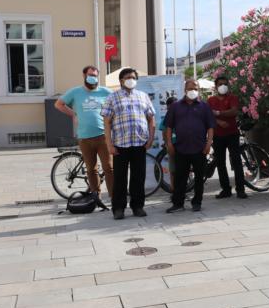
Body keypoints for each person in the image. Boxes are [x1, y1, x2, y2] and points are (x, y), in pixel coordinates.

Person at [101, 68, 155, 220]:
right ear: (121, 81)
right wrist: (109, 144)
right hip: (120, 145)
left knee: (138, 177)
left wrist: (151, 139)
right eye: (128, 77)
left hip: (139, 143)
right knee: (120, 178)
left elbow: (151, 118)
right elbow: (107, 123)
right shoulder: (112, 98)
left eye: (133, 77)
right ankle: (118, 208)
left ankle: (138, 206)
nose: (131, 80)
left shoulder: (143, 96)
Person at [54, 65, 113, 198]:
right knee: (91, 170)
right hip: (84, 138)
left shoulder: (105, 92)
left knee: (109, 168)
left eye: (95, 76)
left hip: (103, 136)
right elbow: (58, 104)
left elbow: (118, 103)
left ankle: (114, 197)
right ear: (84, 76)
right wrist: (73, 114)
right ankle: (95, 197)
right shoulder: (75, 92)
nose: (93, 78)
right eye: (90, 75)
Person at [164, 80, 215, 213]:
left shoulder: (204, 106)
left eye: (195, 88)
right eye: (190, 88)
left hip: (200, 148)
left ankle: (197, 202)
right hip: (181, 148)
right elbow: (168, 126)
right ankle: (178, 204)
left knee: (199, 177)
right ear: (185, 90)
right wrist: (169, 143)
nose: (193, 91)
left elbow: (210, 126)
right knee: (180, 177)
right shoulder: (175, 106)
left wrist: (209, 143)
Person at [208, 76, 247, 199]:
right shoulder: (210, 100)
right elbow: (208, 115)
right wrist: (219, 121)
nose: (223, 86)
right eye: (220, 84)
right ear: (215, 86)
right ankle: (226, 190)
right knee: (220, 163)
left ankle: (240, 189)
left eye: (225, 84)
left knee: (236, 161)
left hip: (232, 134)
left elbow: (234, 111)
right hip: (218, 135)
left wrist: (218, 113)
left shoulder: (232, 98)